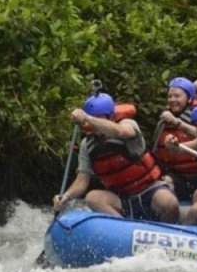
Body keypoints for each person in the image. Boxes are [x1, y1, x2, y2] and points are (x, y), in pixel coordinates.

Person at [53, 92, 179, 223]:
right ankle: (125, 229)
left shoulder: (128, 124)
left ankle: (169, 232)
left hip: (149, 189)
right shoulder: (87, 145)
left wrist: (88, 117)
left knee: (168, 202)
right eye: (91, 119)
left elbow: (120, 131)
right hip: (121, 198)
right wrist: (66, 197)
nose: (93, 124)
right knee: (92, 197)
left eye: (99, 118)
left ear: (111, 117)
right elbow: (82, 180)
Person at [151, 77, 197, 201]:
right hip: (176, 176)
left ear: (190, 99)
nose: (172, 100)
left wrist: (177, 123)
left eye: (177, 96)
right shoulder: (163, 122)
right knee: (164, 184)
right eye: (170, 96)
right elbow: (154, 152)